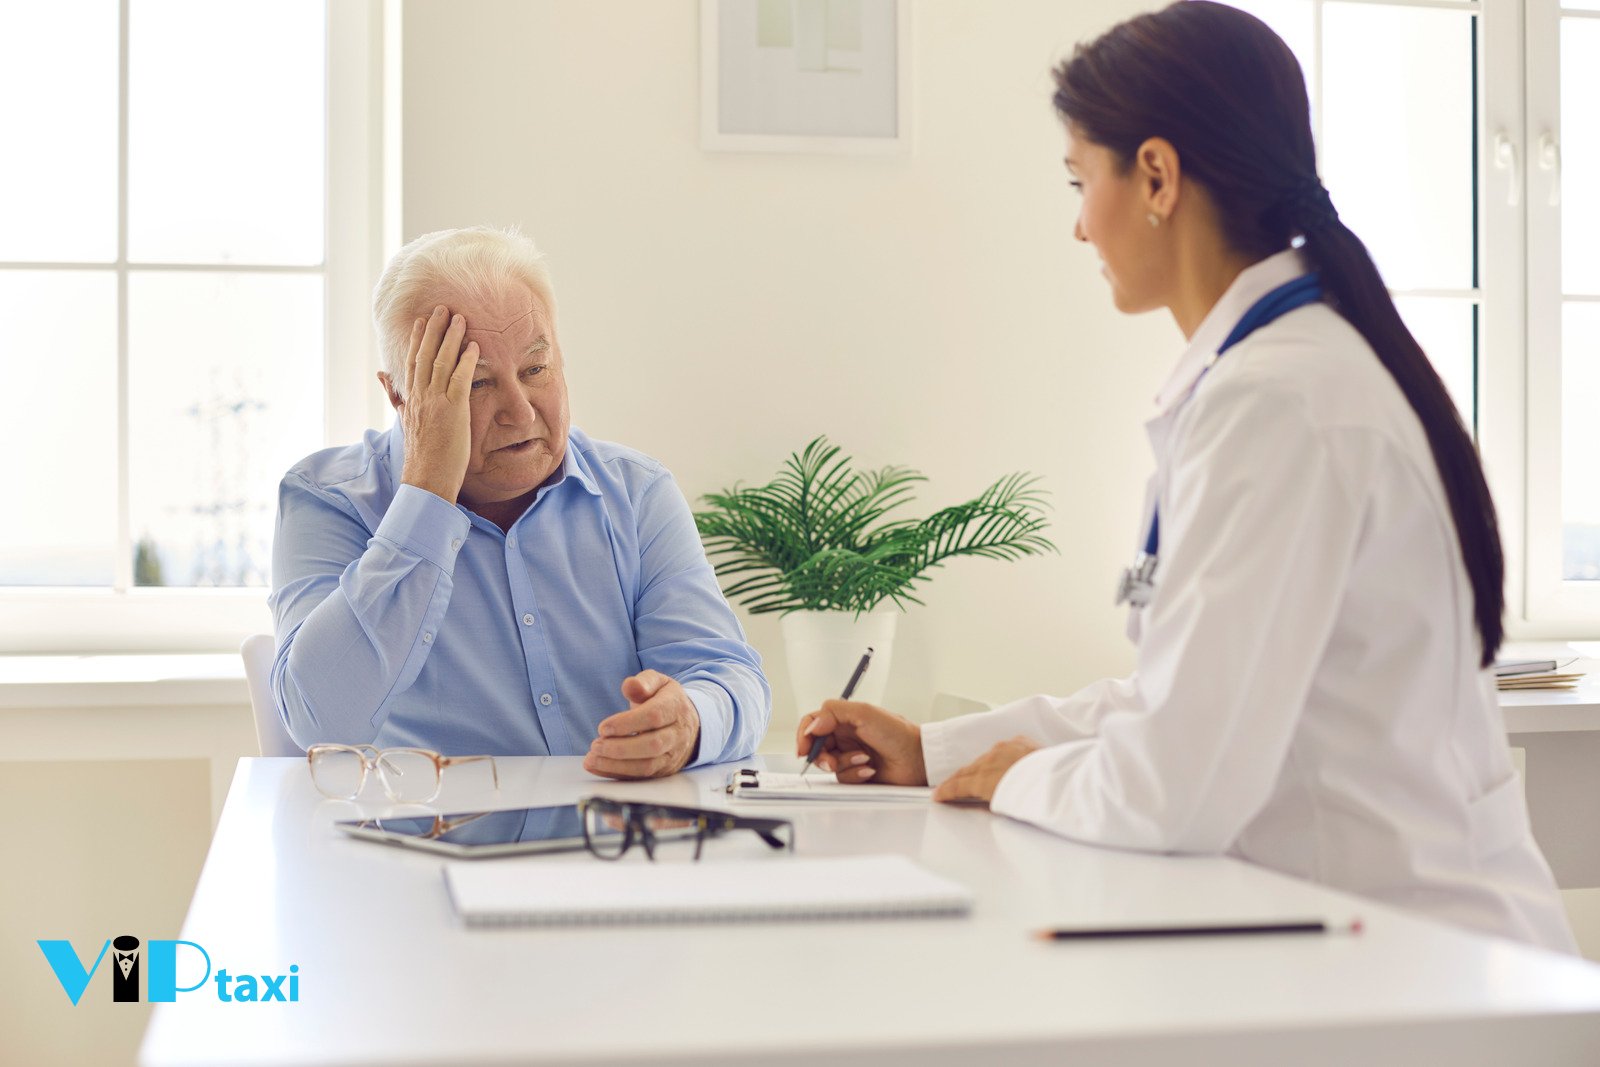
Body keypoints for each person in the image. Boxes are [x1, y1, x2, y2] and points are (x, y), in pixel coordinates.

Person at [796, 2, 1576, 952]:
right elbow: (1171, 696)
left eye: (1081, 180)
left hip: (1423, 958)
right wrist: (936, 750)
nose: (1080, 227)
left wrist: (1013, 776)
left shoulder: (1280, 403)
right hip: (1372, 943)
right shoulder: (1265, 378)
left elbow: (1176, 788)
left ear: (1156, 175)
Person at [270, 226, 770, 779]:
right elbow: (320, 721)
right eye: (476, 384)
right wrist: (427, 495)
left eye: (535, 370)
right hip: (431, 846)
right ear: (399, 395)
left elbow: (729, 677)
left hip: (611, 846)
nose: (521, 412)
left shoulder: (636, 492)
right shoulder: (327, 500)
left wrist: (691, 721)